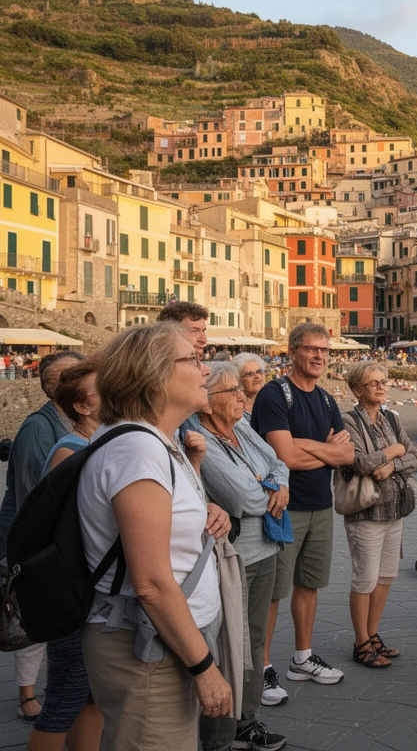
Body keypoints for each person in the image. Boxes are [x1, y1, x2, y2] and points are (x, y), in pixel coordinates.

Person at [78, 322, 232, 750]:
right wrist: (204, 668)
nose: (207, 371)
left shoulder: (158, 442)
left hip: (163, 640)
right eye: (195, 360)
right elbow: (149, 582)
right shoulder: (138, 449)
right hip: (147, 647)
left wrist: (206, 511)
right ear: (155, 373)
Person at [251, 323, 352, 702]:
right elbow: (284, 457)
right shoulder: (274, 395)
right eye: (311, 349)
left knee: (309, 585)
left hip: (321, 506)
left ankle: (302, 658)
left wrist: (305, 450)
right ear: (293, 351)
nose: (319, 356)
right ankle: (260, 669)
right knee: (272, 593)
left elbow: (347, 455)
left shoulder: (327, 401)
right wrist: (321, 451)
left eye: (325, 351)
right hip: (283, 508)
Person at [0, 350, 86, 722]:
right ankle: (27, 694)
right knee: (31, 617)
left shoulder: (71, 421)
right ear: (51, 385)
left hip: (57, 542)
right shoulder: (39, 428)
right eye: (65, 375)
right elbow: (34, 495)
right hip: (38, 544)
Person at [196, 362, 289, 751]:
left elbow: (279, 464)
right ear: (207, 402)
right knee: (227, 645)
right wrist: (268, 489)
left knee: (253, 642)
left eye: (240, 388)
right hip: (232, 558)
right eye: (232, 390)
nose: (241, 395)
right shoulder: (199, 436)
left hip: (265, 546)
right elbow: (242, 498)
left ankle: (247, 721)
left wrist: (276, 484)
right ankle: (218, 737)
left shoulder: (242, 427)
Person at [26, 362, 105, 751]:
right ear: (82, 407)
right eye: (100, 390)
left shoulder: (92, 445)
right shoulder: (70, 451)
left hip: (89, 590)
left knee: (92, 696)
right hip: (72, 591)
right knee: (64, 699)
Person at [343, 363, 417, 668]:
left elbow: (414, 455)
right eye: (371, 382)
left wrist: (395, 463)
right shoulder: (348, 421)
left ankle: (373, 635)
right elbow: (359, 462)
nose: (379, 386)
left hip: (394, 508)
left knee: (386, 576)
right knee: (365, 579)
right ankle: (361, 643)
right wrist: (393, 451)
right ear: (357, 389)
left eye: (383, 382)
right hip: (366, 511)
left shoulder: (391, 418)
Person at [233, 352, 269, 420]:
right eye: (250, 374)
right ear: (238, 380)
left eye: (259, 371)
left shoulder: (272, 399)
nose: (257, 376)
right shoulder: (235, 409)